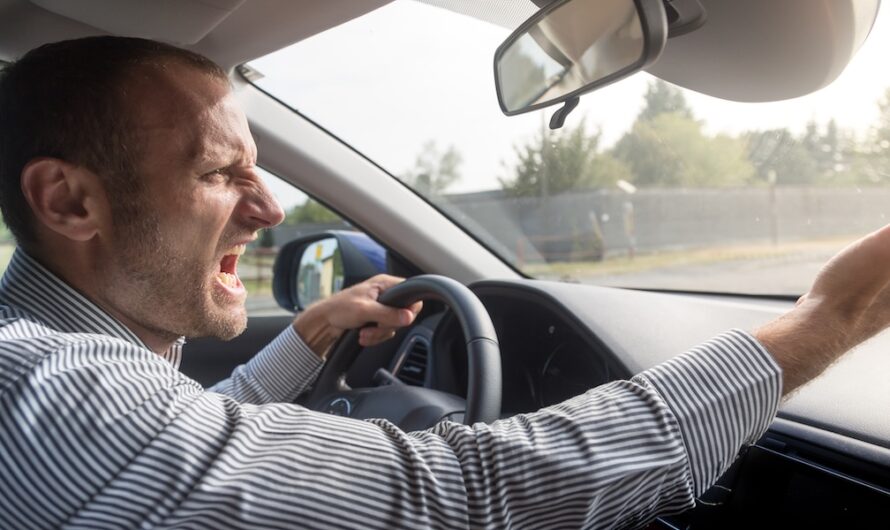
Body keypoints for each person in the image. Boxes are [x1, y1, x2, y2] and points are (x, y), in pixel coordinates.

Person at [0, 36, 884, 530]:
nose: (270, 210)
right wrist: (825, 318)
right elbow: (469, 494)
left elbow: (185, 443)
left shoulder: (71, 393)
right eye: (220, 173)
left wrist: (310, 337)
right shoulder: (48, 388)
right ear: (70, 201)